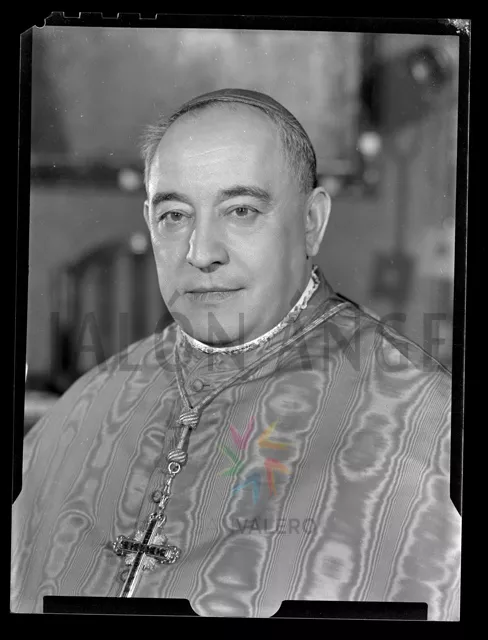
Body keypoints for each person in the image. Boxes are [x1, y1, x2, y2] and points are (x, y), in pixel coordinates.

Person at [11, 88, 461, 620]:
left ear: (312, 222)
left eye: (241, 210)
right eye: (174, 215)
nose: (201, 252)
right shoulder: (82, 407)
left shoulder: (431, 426)